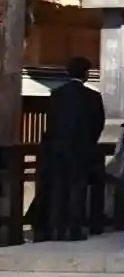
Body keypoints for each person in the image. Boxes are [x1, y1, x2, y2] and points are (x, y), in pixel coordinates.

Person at [43, 57, 105, 242]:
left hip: (58, 149)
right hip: (82, 149)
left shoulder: (56, 95)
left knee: (59, 188)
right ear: (86, 74)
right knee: (78, 189)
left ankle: (58, 229)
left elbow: (51, 124)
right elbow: (98, 124)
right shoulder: (93, 97)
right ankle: (74, 230)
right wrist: (89, 142)